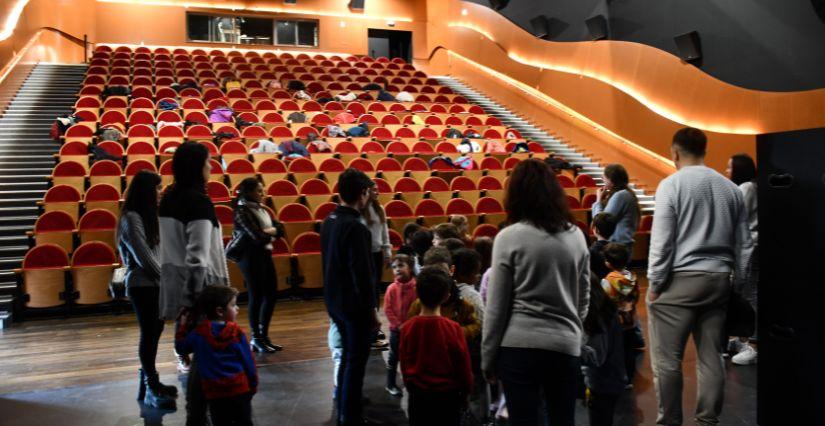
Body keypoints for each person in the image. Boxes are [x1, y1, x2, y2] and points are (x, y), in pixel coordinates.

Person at [647, 128, 753, 426]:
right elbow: (745, 245)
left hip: (679, 281)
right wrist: (738, 285)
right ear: (705, 150)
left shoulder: (671, 185)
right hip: (719, 280)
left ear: (675, 152)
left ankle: (670, 421)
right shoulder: (730, 188)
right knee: (711, 357)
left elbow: (662, 241)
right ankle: (707, 420)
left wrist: (655, 284)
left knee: (668, 361)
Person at [482, 159, 590, 426]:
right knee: (563, 420)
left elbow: (496, 307)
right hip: (565, 345)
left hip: (518, 348)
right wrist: (571, 326)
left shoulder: (508, 237)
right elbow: (584, 295)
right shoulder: (576, 235)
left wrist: (488, 357)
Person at [159, 141, 230, 425]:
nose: (211, 167)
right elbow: (198, 256)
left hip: (175, 281)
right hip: (202, 289)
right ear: (196, 166)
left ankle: (196, 413)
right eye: (208, 162)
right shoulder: (198, 201)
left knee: (200, 355)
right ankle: (200, 414)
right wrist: (194, 301)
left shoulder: (168, 197)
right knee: (207, 356)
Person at [321, 168, 378, 426]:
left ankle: (346, 408)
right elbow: (363, 277)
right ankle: (351, 416)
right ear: (364, 193)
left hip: (334, 301)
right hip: (354, 306)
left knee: (347, 359)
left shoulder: (329, 219)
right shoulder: (356, 227)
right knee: (355, 363)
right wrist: (372, 311)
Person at [119, 170, 177, 409]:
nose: (160, 191)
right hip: (143, 284)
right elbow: (143, 256)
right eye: (156, 187)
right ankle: (151, 384)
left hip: (154, 283)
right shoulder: (131, 217)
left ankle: (148, 382)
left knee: (154, 333)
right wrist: (168, 279)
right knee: (149, 334)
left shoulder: (149, 215)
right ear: (145, 190)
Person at [400, 266, 473, 426]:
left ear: (417, 293)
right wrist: (466, 393)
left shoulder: (407, 328)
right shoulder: (453, 328)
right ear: (446, 296)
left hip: (418, 396)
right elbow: (463, 365)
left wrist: (409, 385)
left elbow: (404, 362)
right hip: (448, 397)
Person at [176, 286, 257, 426]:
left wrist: (182, 326)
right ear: (220, 311)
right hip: (239, 390)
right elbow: (248, 362)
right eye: (233, 305)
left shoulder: (198, 334)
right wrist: (253, 385)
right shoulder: (236, 333)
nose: (237, 308)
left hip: (215, 394)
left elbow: (181, 348)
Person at [226, 177, 285, 353]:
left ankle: (264, 335)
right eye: (259, 191)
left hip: (264, 254)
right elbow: (257, 237)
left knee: (271, 295)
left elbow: (280, 229)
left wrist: (270, 232)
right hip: (249, 257)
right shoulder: (241, 211)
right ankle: (256, 338)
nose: (262, 193)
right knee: (257, 296)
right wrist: (271, 232)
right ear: (249, 192)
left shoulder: (262, 210)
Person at [725, 153, 759, 365]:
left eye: (729, 167)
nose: (726, 171)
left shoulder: (746, 188)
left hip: (750, 247)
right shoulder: (750, 186)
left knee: (750, 293)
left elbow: (734, 217)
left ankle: (753, 342)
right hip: (750, 246)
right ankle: (745, 337)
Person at [581, 277, 626, 426]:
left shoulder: (596, 318)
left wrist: (571, 346)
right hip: (612, 379)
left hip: (602, 384)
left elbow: (596, 357)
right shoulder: (607, 309)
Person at [600, 243, 642, 387]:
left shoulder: (607, 281)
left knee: (615, 351)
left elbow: (604, 302)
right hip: (630, 319)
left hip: (615, 322)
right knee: (629, 351)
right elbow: (636, 297)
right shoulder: (632, 278)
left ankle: (615, 378)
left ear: (608, 262)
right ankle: (629, 380)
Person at [383, 254, 417, 397]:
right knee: (394, 357)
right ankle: (390, 384)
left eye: (401, 266)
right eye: (394, 267)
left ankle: (411, 382)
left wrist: (410, 325)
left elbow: (418, 308)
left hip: (413, 331)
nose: (397, 269)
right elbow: (388, 309)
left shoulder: (417, 287)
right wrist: (398, 325)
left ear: (410, 267)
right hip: (396, 332)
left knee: (411, 357)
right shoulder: (391, 288)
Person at [591, 164, 641, 258]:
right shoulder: (626, 193)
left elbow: (601, 222)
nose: (603, 181)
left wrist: (598, 200)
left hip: (618, 249)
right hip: (621, 246)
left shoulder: (621, 195)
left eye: (604, 178)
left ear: (611, 181)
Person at [590, 213, 618, 280]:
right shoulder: (617, 248)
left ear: (596, 230)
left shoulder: (591, 251)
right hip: (613, 286)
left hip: (598, 287)